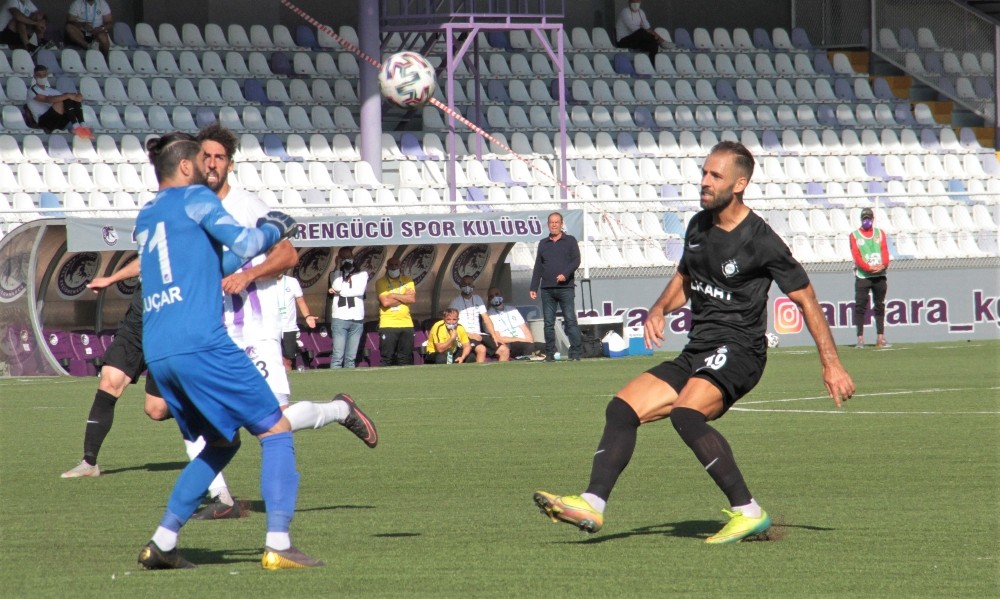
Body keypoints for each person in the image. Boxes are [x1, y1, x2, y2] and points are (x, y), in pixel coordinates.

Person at [533, 141, 856, 545]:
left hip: (741, 351)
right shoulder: (698, 226)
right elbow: (684, 278)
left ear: (740, 183)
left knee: (686, 413)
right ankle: (592, 504)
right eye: (704, 172)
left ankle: (748, 511)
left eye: (714, 175)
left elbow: (806, 298)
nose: (704, 181)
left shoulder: (761, 240)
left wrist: (831, 364)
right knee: (621, 408)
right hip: (698, 349)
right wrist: (658, 309)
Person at [132, 131, 324, 569]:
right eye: (201, 159)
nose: (207, 167)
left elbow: (211, 265)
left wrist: (247, 253)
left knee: (220, 442)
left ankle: (162, 543)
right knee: (274, 431)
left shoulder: (146, 217)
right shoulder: (196, 198)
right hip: (201, 343)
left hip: (160, 350)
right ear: (185, 167)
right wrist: (275, 226)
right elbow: (245, 244)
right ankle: (279, 544)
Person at [60, 260, 170, 480]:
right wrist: (110, 279)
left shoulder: (188, 236)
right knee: (109, 382)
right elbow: (143, 261)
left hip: (168, 331)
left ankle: (200, 409)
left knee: (156, 410)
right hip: (135, 327)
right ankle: (89, 462)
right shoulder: (152, 231)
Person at [529, 212, 583, 361]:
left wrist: (565, 274)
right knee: (548, 323)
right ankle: (550, 354)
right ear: (548, 225)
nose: (554, 225)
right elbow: (538, 267)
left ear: (561, 224)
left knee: (570, 320)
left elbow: (576, 261)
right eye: (551, 222)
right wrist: (533, 287)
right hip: (547, 289)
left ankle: (576, 353)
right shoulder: (543, 243)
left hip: (565, 288)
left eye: (556, 222)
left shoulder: (570, 241)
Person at [849, 207, 891, 349]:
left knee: (879, 306)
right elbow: (856, 256)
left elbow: (885, 251)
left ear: (873, 219)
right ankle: (860, 339)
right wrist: (868, 268)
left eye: (868, 218)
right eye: (864, 218)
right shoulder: (855, 235)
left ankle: (881, 337)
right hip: (863, 276)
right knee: (860, 307)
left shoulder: (880, 233)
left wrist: (883, 264)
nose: (866, 221)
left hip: (879, 275)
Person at [328, 247, 368, 368]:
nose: (347, 260)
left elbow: (359, 291)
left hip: (356, 319)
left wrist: (340, 292)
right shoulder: (334, 274)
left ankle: (348, 383)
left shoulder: (362, 274)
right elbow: (337, 286)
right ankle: (335, 383)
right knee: (337, 356)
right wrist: (338, 268)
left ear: (353, 258)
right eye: (343, 258)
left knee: (351, 358)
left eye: (348, 257)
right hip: (340, 318)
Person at [26, 65, 92, 138]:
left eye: (44, 75)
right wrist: (68, 96)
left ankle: (82, 125)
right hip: (44, 123)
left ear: (47, 75)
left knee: (68, 99)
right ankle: (77, 127)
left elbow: (67, 97)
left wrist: (78, 96)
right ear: (34, 76)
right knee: (62, 101)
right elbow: (47, 99)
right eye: (39, 75)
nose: (42, 77)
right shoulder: (32, 91)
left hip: (57, 121)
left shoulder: (51, 90)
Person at [448, 275, 500, 363]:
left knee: (504, 350)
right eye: (464, 284)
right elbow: (451, 324)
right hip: (465, 335)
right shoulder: (455, 302)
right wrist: (468, 334)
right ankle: (479, 375)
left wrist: (494, 335)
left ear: (473, 286)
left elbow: (486, 319)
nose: (467, 286)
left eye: (469, 284)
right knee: (481, 349)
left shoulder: (478, 299)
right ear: (460, 287)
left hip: (479, 334)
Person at [485, 288, 546, 361]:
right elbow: (499, 338)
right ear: (489, 300)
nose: (495, 297)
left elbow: (526, 330)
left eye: (497, 294)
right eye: (491, 296)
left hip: (525, 342)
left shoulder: (512, 309)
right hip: (510, 344)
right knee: (529, 347)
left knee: (548, 347)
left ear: (502, 295)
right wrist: (520, 340)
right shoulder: (488, 315)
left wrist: (530, 341)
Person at [375, 256, 416, 366]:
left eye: (396, 265)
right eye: (391, 265)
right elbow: (385, 303)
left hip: (406, 324)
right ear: (386, 267)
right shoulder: (380, 282)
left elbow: (411, 299)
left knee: (405, 357)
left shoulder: (407, 280)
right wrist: (403, 297)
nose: (394, 268)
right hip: (388, 324)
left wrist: (392, 295)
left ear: (400, 266)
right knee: (387, 357)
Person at [278, 272, 316, 371]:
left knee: (288, 360)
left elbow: (300, 301)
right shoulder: (265, 281)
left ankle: (289, 383)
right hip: (272, 327)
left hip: (289, 327)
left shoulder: (292, 282)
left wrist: (307, 316)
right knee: (273, 359)